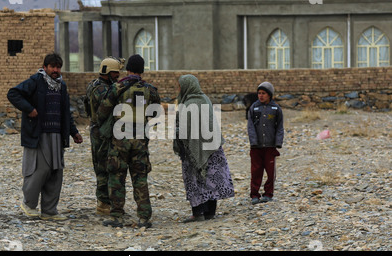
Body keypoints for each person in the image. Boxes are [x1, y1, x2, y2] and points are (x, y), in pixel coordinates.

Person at [7, 52, 83, 220]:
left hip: (57, 135)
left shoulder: (61, 86)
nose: (55, 70)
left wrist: (74, 132)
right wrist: (29, 109)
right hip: (39, 135)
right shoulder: (36, 81)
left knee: (56, 171)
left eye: (58, 67)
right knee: (40, 169)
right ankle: (29, 204)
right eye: (52, 67)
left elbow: (65, 113)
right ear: (45, 67)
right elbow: (13, 93)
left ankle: (49, 211)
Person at [97, 54, 160, 228]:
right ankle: (144, 217)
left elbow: (102, 111)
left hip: (120, 140)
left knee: (117, 177)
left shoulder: (118, 87)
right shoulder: (150, 90)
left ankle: (117, 216)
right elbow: (155, 114)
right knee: (140, 177)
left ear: (128, 69)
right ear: (142, 70)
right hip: (140, 140)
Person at [173, 74, 234, 223]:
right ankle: (210, 213)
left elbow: (182, 131)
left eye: (180, 86)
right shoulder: (205, 99)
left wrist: (179, 143)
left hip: (192, 151)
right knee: (211, 179)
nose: (178, 89)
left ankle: (198, 213)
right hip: (212, 149)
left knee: (195, 180)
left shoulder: (186, 105)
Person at [84, 57, 125, 215]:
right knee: (102, 166)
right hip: (101, 132)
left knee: (109, 166)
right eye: (116, 73)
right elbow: (108, 107)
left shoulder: (97, 85)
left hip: (101, 130)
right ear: (108, 72)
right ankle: (102, 203)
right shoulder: (101, 89)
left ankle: (108, 202)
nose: (118, 76)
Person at [247, 81, 284, 205]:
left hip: (270, 147)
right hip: (256, 147)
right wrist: (253, 141)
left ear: (270, 95)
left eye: (263, 93)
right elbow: (250, 127)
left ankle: (268, 194)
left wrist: (278, 142)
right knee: (256, 171)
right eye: (259, 93)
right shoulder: (253, 108)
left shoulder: (276, 109)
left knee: (270, 172)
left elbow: (279, 127)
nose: (261, 96)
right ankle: (254, 194)